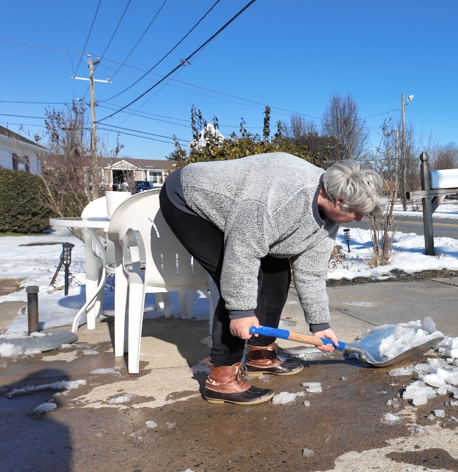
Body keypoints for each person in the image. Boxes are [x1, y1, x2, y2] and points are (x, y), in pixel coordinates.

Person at [159, 153, 387, 405]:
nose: (359, 219)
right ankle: (222, 378)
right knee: (237, 282)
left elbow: (311, 272)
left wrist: (320, 324)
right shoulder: (276, 201)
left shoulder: (330, 217)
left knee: (278, 272)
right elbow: (242, 255)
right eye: (357, 212)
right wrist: (241, 313)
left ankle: (260, 353)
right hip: (189, 198)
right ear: (339, 200)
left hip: (248, 211)